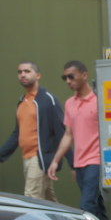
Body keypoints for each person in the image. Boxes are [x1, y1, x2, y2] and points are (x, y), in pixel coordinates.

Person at [47, 60, 111, 220]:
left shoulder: (99, 101)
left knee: (87, 207)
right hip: (79, 164)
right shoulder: (69, 103)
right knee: (98, 208)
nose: (68, 81)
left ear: (84, 75)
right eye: (65, 77)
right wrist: (55, 161)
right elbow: (68, 135)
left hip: (96, 161)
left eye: (71, 76)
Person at [0, 61, 64, 201]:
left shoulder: (47, 100)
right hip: (27, 158)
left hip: (40, 157)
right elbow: (17, 134)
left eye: (27, 71)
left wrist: (67, 162)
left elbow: (61, 132)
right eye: (20, 72)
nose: (23, 74)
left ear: (38, 75)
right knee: (48, 201)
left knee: (31, 198)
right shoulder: (22, 102)